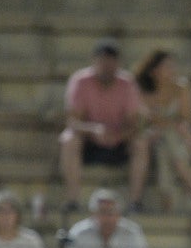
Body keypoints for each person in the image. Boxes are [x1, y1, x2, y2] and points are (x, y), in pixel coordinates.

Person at [59, 40, 150, 210]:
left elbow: (134, 123)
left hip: (120, 141)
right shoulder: (80, 81)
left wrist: (118, 135)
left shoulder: (127, 83)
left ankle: (135, 201)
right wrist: (93, 130)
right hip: (89, 141)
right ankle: (72, 200)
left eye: (111, 63)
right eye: (103, 62)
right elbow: (72, 121)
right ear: (94, 62)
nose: (107, 68)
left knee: (141, 142)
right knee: (68, 140)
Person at [134, 49, 191, 211]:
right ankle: (190, 182)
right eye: (167, 67)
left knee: (165, 146)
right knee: (164, 143)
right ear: (153, 71)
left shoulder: (181, 87)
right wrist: (166, 124)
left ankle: (168, 197)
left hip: (176, 138)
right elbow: (146, 121)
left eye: (173, 66)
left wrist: (171, 126)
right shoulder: (144, 92)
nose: (172, 70)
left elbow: (184, 119)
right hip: (155, 138)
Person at [64, 189, 158, 248]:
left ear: (119, 214)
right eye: (102, 212)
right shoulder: (78, 234)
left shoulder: (132, 233)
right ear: (93, 214)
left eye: (111, 212)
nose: (107, 218)